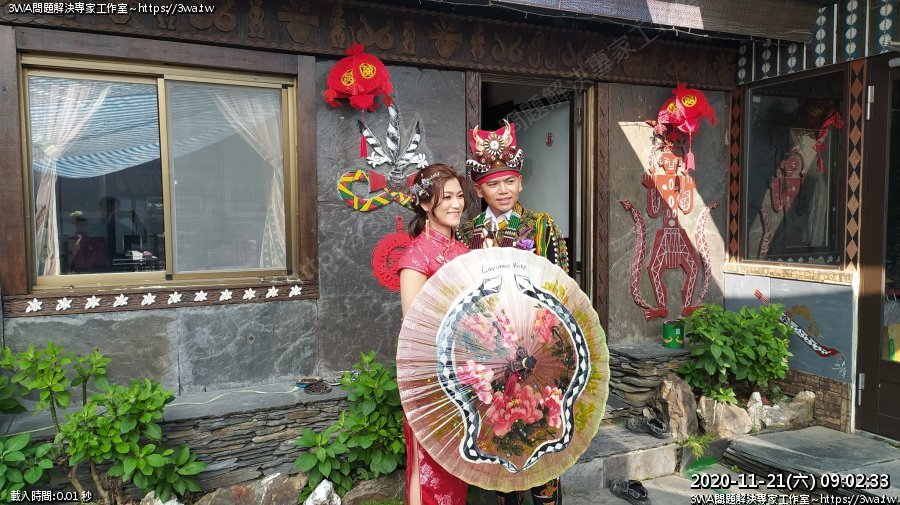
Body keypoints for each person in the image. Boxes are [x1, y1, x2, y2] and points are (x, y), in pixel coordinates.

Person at [458, 121, 568, 505]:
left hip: (537, 351)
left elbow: (559, 291)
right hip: (488, 356)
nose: (502, 190)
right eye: (493, 184)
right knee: (502, 435)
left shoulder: (541, 226)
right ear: (478, 190)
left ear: (520, 183)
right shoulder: (466, 234)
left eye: (509, 181)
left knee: (543, 431)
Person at [397, 164, 470, 505]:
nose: (456, 204)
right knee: (427, 458)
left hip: (465, 368)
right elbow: (414, 325)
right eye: (447, 197)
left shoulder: (464, 253)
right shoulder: (416, 256)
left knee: (456, 456)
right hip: (429, 369)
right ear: (426, 204)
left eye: (460, 196)